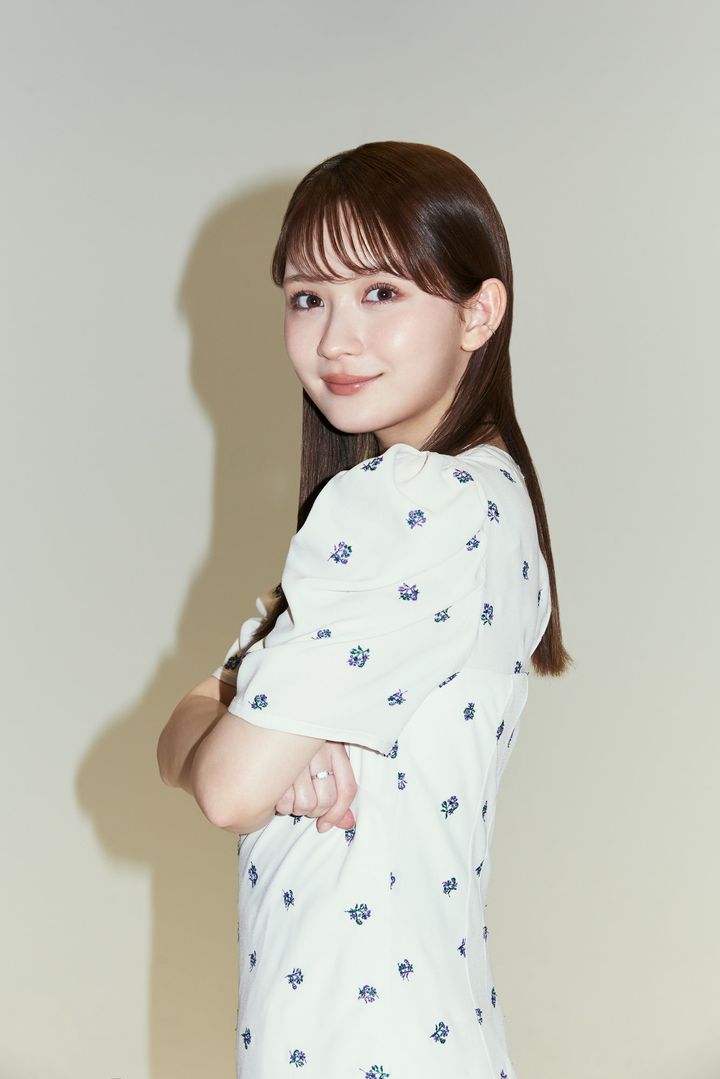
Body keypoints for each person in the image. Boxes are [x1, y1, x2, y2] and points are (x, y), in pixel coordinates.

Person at [157, 140, 572, 1079]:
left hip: (357, 1035)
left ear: (480, 311)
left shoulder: (409, 502)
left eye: (381, 291)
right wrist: (245, 729)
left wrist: (237, 734)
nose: (336, 339)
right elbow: (190, 737)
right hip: (420, 1025)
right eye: (308, 297)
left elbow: (221, 784)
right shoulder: (488, 498)